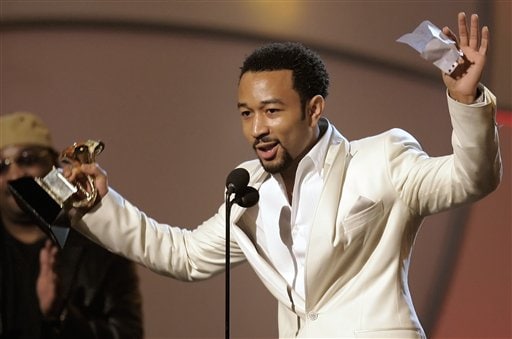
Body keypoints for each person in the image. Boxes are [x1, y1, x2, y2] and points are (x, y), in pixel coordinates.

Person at [68, 12, 501, 338]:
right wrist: (98, 205)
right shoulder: (248, 189)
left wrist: (466, 102)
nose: (257, 129)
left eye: (272, 111)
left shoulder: (381, 158)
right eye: (246, 113)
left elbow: (470, 178)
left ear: (314, 109)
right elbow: (182, 256)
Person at [0, 112, 144, 339]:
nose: (14, 174)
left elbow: (128, 334)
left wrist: (62, 314)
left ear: (53, 165)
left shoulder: (101, 242)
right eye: (2, 167)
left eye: (27, 159)